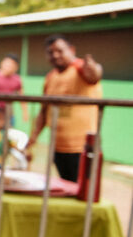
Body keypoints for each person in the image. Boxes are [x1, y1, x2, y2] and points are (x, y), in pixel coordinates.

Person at [26, 34, 103, 182]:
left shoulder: (81, 68)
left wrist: (93, 68)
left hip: (83, 148)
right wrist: (34, 137)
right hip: (58, 147)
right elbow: (44, 110)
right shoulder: (50, 77)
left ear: (71, 50)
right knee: (66, 187)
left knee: (84, 191)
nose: (55, 55)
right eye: (50, 52)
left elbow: (95, 75)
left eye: (60, 51)